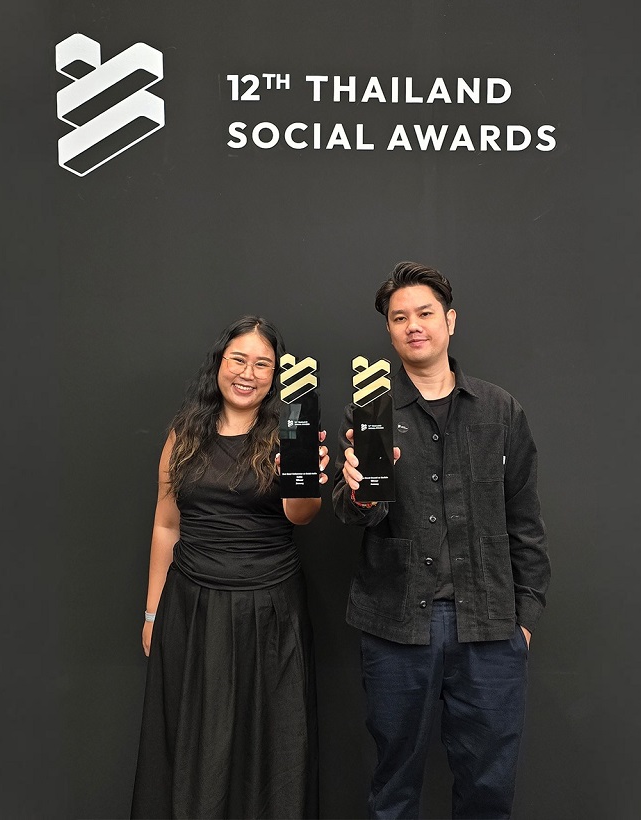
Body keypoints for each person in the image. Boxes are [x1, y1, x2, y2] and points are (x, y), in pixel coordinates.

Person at [334, 262, 551, 819]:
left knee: (488, 790)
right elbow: (358, 513)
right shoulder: (372, 409)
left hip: (491, 626)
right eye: (399, 317)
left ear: (450, 321)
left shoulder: (500, 410)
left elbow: (525, 520)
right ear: (389, 331)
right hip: (396, 623)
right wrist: (359, 494)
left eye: (425, 313)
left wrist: (525, 617)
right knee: (394, 786)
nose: (413, 325)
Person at [131, 316, 328, 819]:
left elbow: (302, 516)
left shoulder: (292, 432)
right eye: (238, 359)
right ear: (219, 363)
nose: (248, 373)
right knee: (195, 742)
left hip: (270, 611)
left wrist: (301, 478)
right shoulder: (184, 434)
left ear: (275, 376)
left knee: (270, 743)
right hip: (190, 608)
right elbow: (166, 525)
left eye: (262, 364)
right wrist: (153, 612)